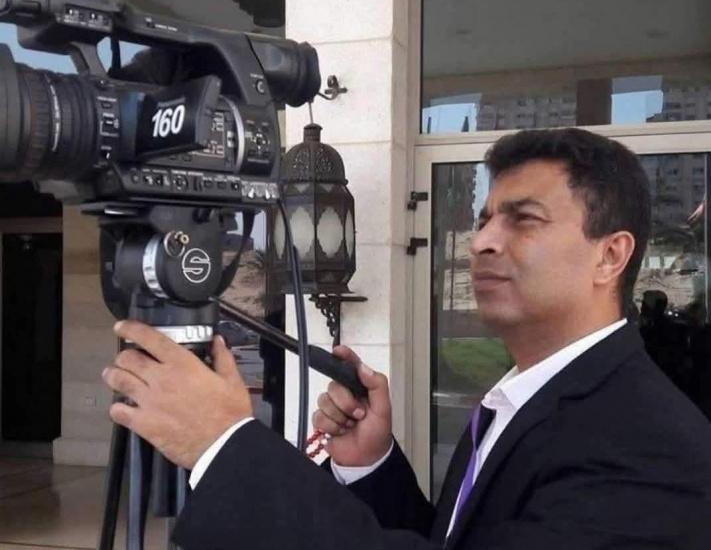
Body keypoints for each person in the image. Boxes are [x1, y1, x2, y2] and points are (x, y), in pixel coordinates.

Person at [102, 128, 711, 549]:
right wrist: (372, 464)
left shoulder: (650, 448)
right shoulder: (524, 398)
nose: (481, 242)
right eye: (483, 220)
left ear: (611, 255)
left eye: (523, 219)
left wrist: (222, 444)